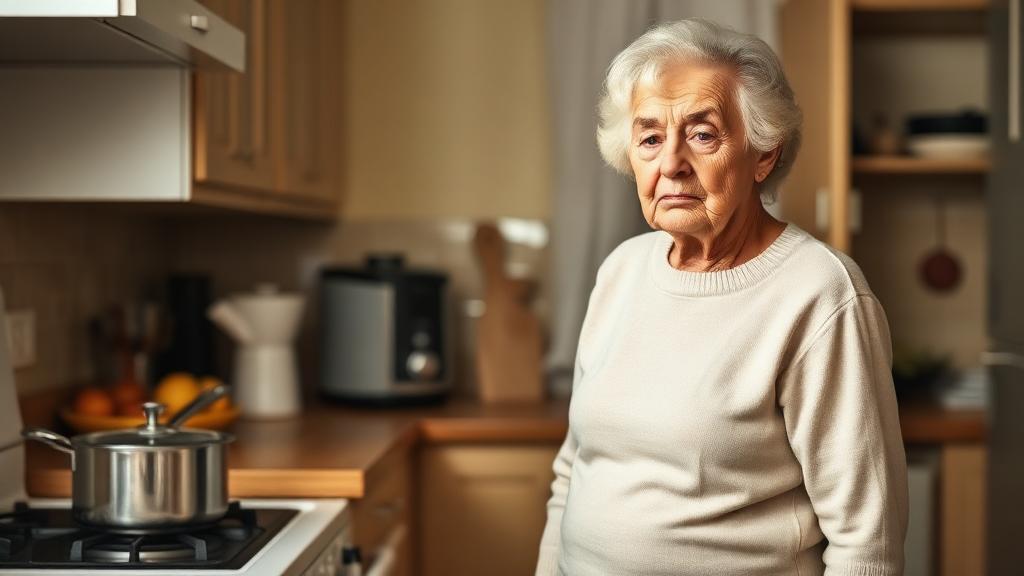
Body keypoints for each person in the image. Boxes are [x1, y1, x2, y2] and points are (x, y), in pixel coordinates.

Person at [536, 19, 907, 576]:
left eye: (703, 135)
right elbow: (574, 472)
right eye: (650, 138)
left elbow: (867, 540)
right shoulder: (622, 271)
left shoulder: (820, 293)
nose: (670, 165)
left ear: (762, 154)